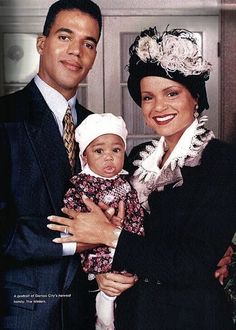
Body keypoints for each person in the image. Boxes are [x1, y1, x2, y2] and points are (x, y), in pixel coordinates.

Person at [47, 27, 236, 329]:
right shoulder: (135, 159)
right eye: (148, 97)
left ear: (195, 97)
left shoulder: (222, 161)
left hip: (191, 317)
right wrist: (103, 274)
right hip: (134, 313)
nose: (158, 107)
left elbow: (193, 264)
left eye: (172, 93)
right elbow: (130, 238)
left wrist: (107, 235)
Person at [0, 1, 115, 329]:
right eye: (65, 37)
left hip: (86, 309)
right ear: (42, 43)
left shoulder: (100, 128)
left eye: (88, 43)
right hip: (23, 313)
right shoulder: (6, 116)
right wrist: (76, 241)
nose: (76, 51)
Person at [59, 112, 144, 329]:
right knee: (108, 289)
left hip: (126, 240)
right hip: (97, 247)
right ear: (85, 157)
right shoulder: (83, 185)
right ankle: (104, 317)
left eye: (116, 150)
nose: (109, 157)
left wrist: (129, 229)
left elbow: (136, 210)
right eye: (99, 151)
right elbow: (75, 214)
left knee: (127, 280)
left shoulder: (126, 182)